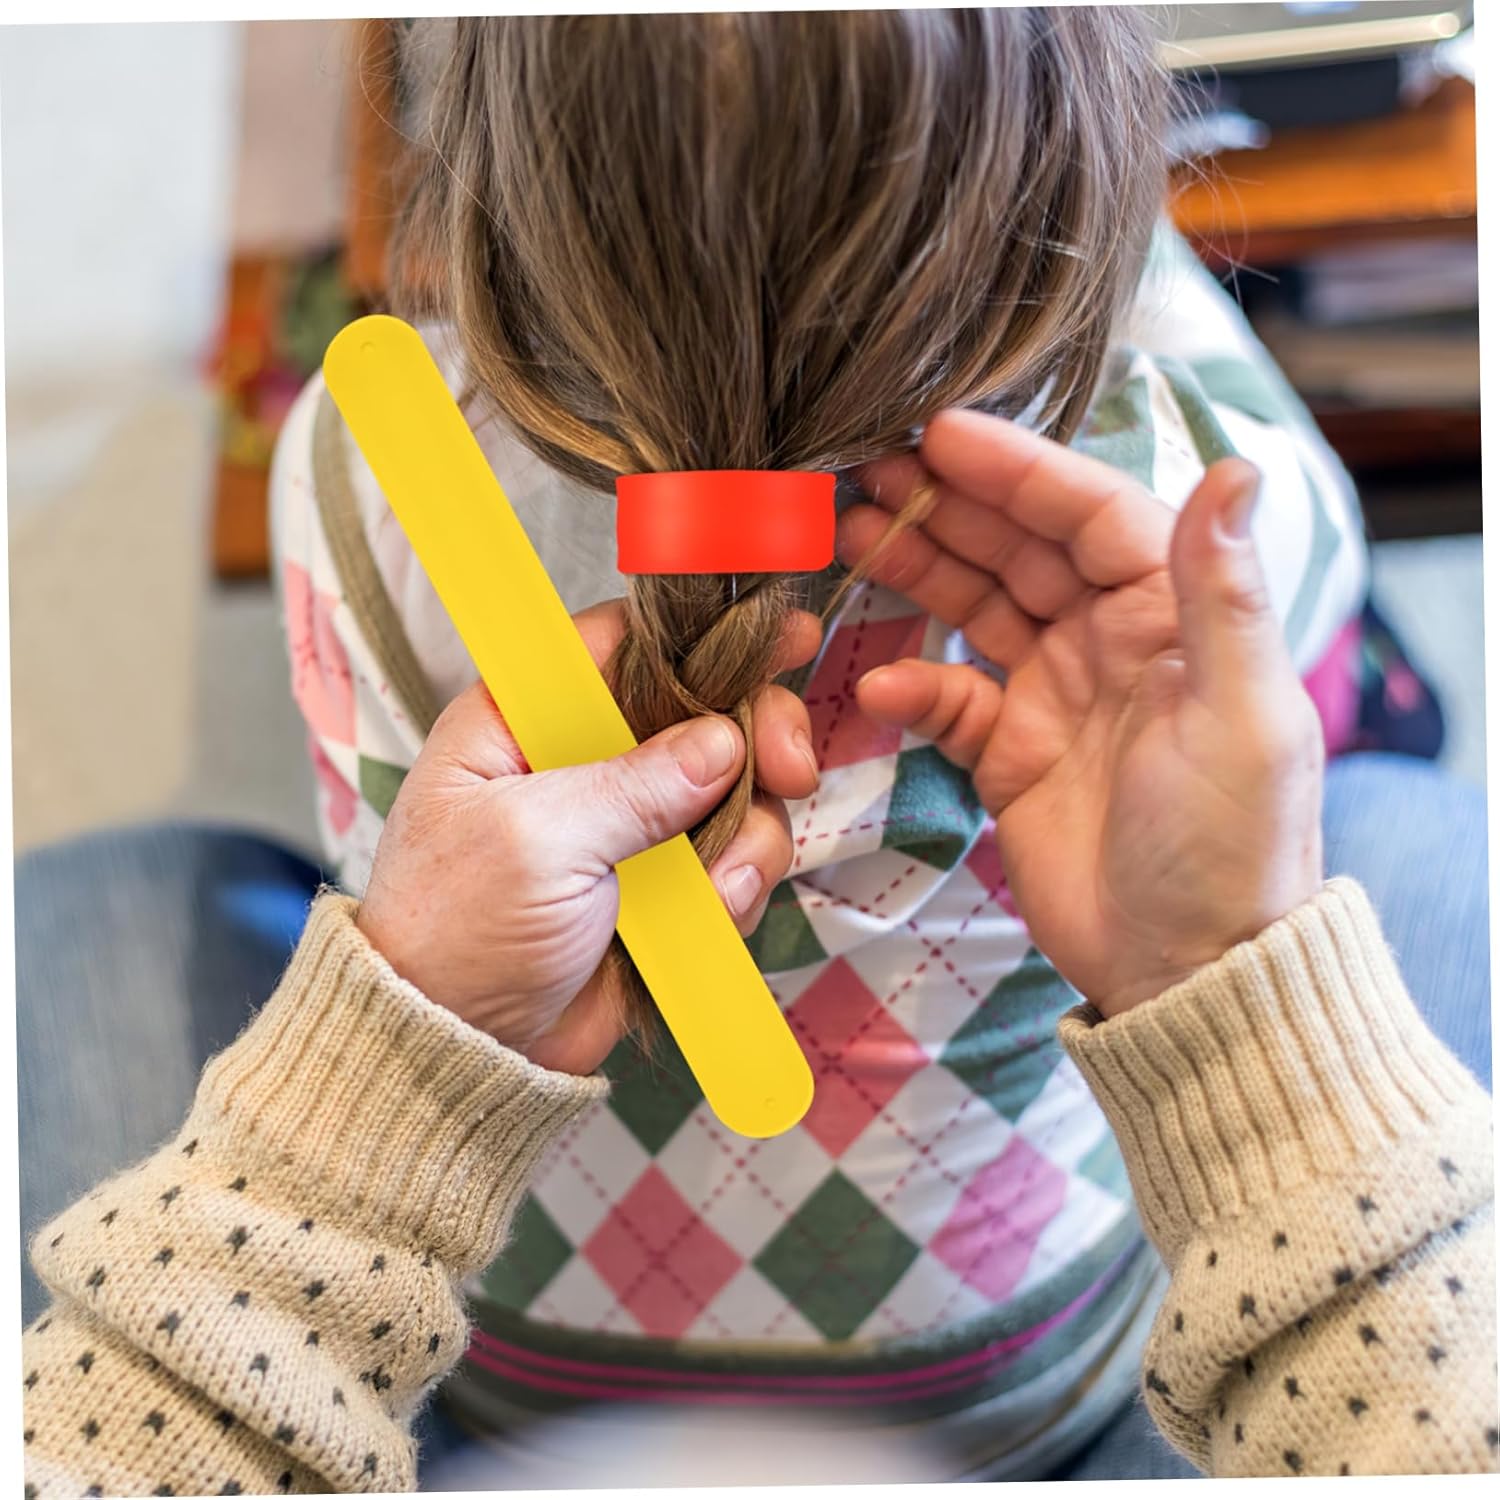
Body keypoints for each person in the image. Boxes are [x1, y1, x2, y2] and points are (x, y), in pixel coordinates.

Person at [268, 14, 1369, 1473]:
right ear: (1062, 164)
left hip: (495, 1382)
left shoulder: (354, 454)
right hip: (1028, 1383)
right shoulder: (1206, 522)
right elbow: (1321, 688)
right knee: (1392, 810)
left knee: (214, 876)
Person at [20, 418, 1494, 1495]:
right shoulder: (1219, 486)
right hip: (1071, 1422)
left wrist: (380, 1091)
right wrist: (1227, 990)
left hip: (484, 1418)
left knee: (119, 894)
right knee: (1409, 826)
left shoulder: (354, 459)